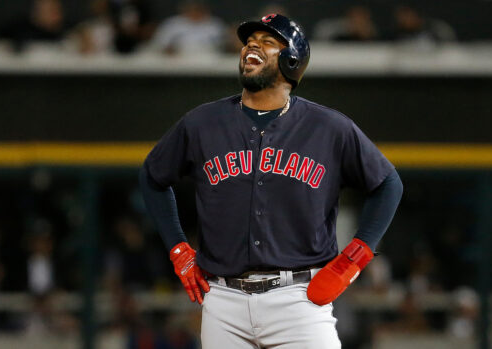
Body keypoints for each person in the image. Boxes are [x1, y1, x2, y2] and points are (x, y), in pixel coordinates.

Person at [140, 13, 403, 348]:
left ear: (292, 60)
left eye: (267, 42)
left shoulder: (328, 128)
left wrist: (353, 259)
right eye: (250, 41)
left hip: (299, 298)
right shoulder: (202, 123)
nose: (252, 45)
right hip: (222, 298)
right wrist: (178, 249)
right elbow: (152, 176)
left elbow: (388, 184)